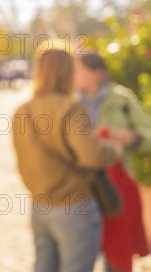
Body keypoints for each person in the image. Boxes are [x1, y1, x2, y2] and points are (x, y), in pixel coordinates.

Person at [13, 48, 123, 272]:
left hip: (39, 204)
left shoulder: (23, 110)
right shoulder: (71, 107)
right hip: (73, 205)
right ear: (67, 72)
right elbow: (92, 155)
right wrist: (115, 149)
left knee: (44, 266)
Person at [75, 52, 151, 272]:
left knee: (116, 253)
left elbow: (148, 136)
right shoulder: (70, 101)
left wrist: (131, 137)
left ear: (97, 73)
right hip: (81, 187)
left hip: (115, 188)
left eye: (80, 69)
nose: (75, 74)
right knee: (83, 251)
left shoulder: (123, 99)